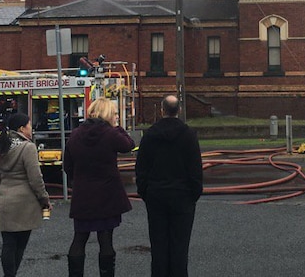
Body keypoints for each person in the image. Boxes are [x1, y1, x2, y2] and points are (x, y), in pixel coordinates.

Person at [63, 98, 134, 277]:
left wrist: (78, 181)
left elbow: (67, 166)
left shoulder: (75, 134)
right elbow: (129, 145)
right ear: (108, 114)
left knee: (79, 238)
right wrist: (117, 126)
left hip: (83, 195)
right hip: (107, 194)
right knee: (106, 239)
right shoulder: (110, 134)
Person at [135, 95, 204, 277]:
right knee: (180, 246)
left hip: (156, 196)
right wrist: (193, 195)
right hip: (182, 197)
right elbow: (196, 169)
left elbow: (141, 169)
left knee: (158, 246)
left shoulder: (150, 135)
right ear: (178, 110)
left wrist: (146, 193)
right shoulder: (189, 135)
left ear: (161, 110)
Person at [0, 113, 51, 277]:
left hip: (5, 203)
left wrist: (2, 191)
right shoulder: (27, 147)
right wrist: (44, 198)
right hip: (25, 205)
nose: (31, 128)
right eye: (29, 125)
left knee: (8, 244)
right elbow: (35, 178)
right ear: (22, 128)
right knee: (20, 245)